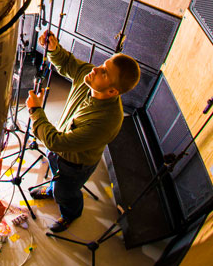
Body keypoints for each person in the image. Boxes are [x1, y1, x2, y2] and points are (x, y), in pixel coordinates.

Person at [26, 30, 140, 233]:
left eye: (104, 73)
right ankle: (53, 188)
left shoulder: (105, 122)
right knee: (54, 171)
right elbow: (70, 65)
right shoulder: (91, 77)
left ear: (112, 91)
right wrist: (54, 49)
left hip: (75, 165)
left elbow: (56, 142)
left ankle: (70, 214)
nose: (96, 70)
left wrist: (36, 111)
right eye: (103, 65)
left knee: (66, 192)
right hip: (61, 152)